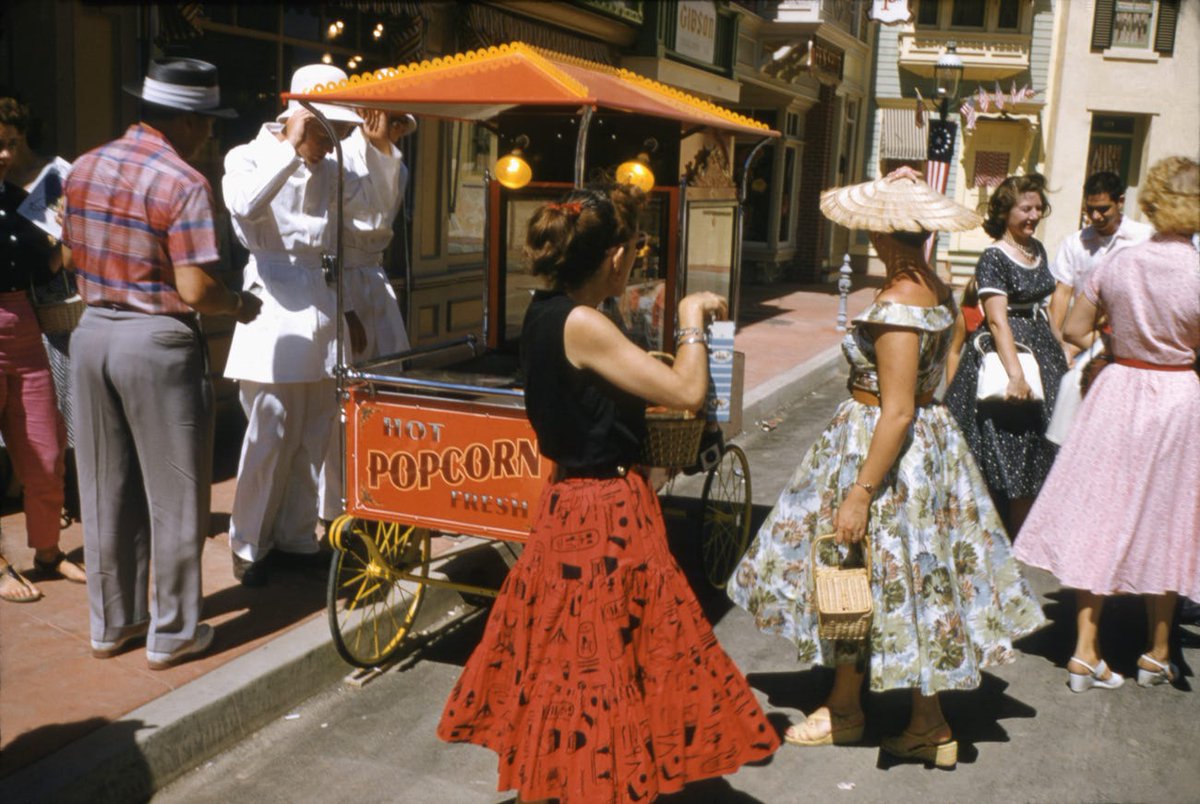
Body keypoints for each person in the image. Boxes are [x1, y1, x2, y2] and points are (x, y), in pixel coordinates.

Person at [438, 185, 778, 802]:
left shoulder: (547, 311)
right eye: (634, 254)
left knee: (581, 666)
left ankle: (586, 782)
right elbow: (685, 393)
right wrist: (691, 321)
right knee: (602, 671)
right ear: (614, 257)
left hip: (573, 503)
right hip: (601, 514)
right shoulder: (582, 323)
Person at [728, 168, 1047, 770]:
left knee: (857, 569)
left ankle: (874, 713)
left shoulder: (899, 300)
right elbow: (943, 371)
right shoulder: (937, 285)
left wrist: (860, 489)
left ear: (880, 231)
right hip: (928, 444)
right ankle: (900, 714)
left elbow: (896, 410)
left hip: (885, 444)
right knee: (909, 578)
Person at [61, 58, 260, 666]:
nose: (210, 136)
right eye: (208, 124)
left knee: (102, 487)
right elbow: (197, 289)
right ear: (189, 122)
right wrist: (241, 305)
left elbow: (69, 257)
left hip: (91, 331)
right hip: (157, 339)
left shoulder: (86, 165)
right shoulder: (184, 182)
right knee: (175, 498)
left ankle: (112, 622)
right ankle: (173, 631)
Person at [1014, 156, 1200, 691]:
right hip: (1177, 394)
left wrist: (1120, 343)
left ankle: (1084, 650)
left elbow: (1074, 328)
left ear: (1153, 203)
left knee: (1099, 512)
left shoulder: (1119, 263)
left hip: (1118, 388)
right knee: (1168, 517)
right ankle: (1158, 652)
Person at [222, 65, 404, 586]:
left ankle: (299, 536)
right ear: (301, 118)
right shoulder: (250, 156)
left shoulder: (332, 169)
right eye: (332, 131)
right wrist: (293, 149)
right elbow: (244, 207)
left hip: (323, 305)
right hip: (272, 307)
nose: (335, 143)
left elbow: (371, 223)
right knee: (270, 428)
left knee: (314, 431)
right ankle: (250, 542)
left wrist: (380, 149)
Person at [943, 173, 1068, 535]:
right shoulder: (993, 258)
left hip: (1041, 350)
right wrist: (1016, 375)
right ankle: (994, 536)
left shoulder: (1037, 250)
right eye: (1025, 208)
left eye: (1038, 208)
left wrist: (1060, 346)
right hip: (1008, 355)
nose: (1034, 215)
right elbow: (997, 322)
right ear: (1005, 211)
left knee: (1036, 446)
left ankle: (1024, 534)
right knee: (1004, 448)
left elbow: (1042, 307)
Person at [0, 97, 83, 603]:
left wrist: (69, 226)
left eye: (11, 143)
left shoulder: (25, 194)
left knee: (46, 450)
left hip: (25, 323)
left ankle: (47, 551)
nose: (5, 154)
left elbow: (53, 263)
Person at [317, 112, 416, 526]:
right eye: (389, 122)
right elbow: (336, 232)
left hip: (373, 279)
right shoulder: (337, 160)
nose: (393, 131)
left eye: (399, 126)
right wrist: (345, 308)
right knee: (344, 395)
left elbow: (381, 217)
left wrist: (382, 152)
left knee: (387, 385)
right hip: (344, 279)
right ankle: (336, 503)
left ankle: (378, 490)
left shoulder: (396, 165)